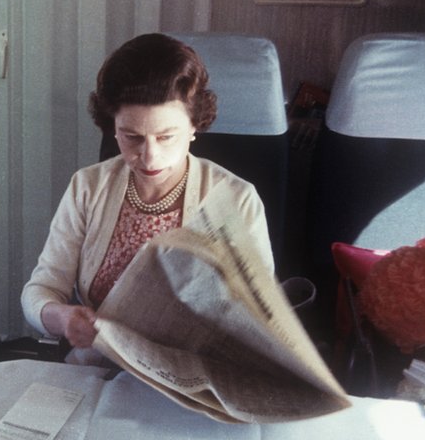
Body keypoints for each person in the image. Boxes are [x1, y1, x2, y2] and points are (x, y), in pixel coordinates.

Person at [20, 33, 274, 354]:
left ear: (194, 126)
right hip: (98, 363)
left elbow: (257, 318)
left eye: (166, 137)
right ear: (112, 127)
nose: (150, 157)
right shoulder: (88, 187)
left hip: (194, 371)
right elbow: (41, 289)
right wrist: (60, 317)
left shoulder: (238, 199)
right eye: (132, 137)